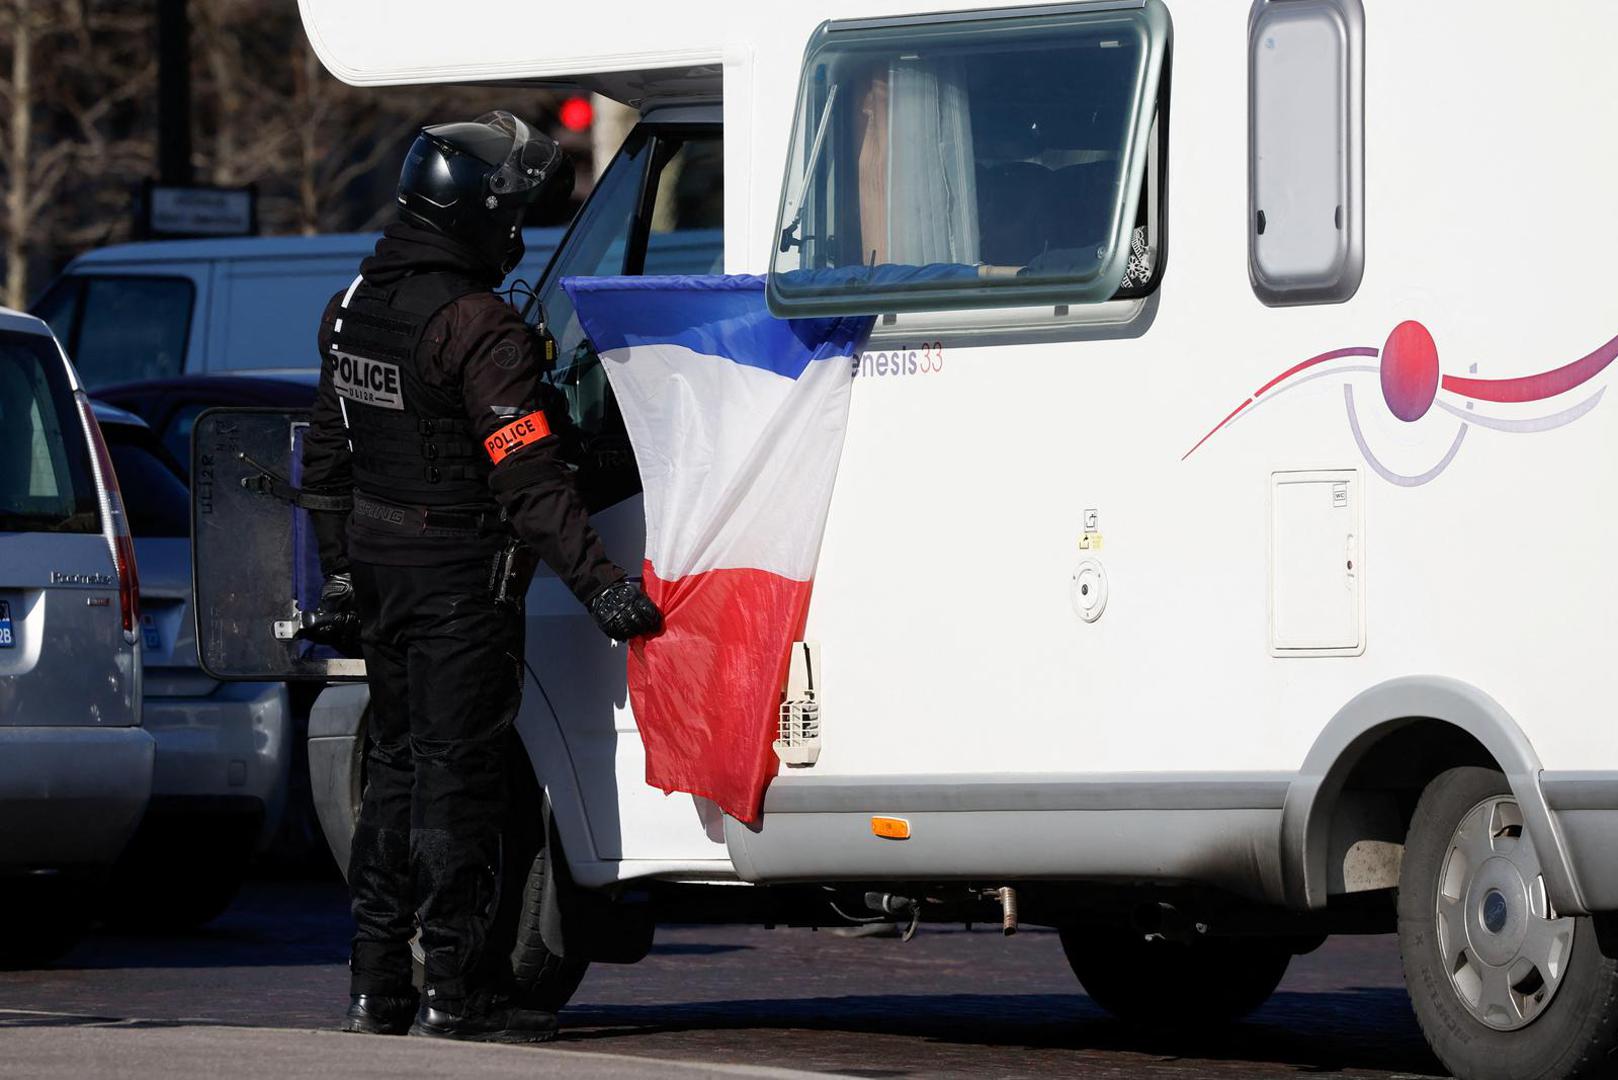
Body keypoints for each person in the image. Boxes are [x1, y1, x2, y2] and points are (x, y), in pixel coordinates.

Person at [298, 111, 662, 1044]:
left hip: (382, 577)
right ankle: (459, 996)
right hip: (462, 583)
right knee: (460, 790)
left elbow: (328, 457)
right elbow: (532, 480)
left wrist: (341, 572)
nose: (518, 234)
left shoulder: (355, 305)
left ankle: (376, 988)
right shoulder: (478, 326)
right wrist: (605, 589)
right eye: (512, 215)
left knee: (392, 781)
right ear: (473, 217)